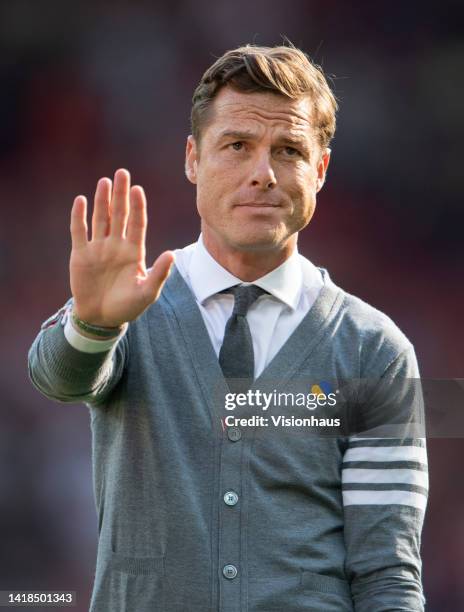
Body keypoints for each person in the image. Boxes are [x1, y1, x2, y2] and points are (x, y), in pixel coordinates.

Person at [28, 44, 428, 611]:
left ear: (320, 169)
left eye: (288, 150)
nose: (261, 174)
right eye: (237, 146)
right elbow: (58, 378)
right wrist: (93, 323)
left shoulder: (374, 350)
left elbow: (387, 573)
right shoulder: (129, 307)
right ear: (193, 158)